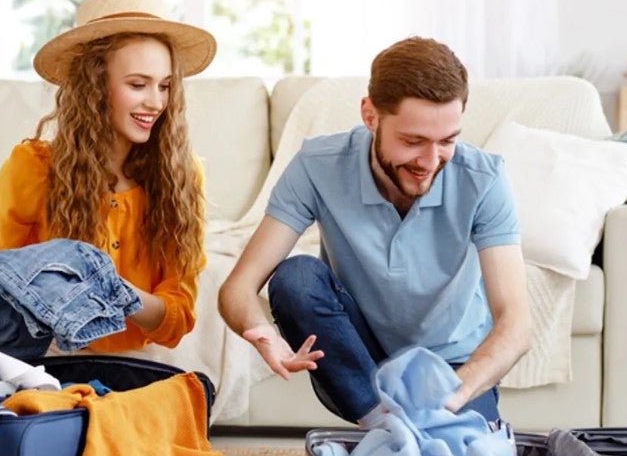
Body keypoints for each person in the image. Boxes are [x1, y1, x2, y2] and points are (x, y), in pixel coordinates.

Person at [217, 36, 531, 427]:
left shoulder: (484, 179)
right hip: (362, 356)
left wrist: (452, 394)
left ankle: (406, 433)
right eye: (413, 141)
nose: (430, 162)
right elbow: (237, 288)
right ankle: (382, 424)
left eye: (447, 141)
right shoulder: (318, 166)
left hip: (450, 367)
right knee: (295, 277)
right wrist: (265, 334)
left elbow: (516, 324)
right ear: (370, 115)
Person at [0, 0, 216, 353]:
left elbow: (177, 318)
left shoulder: (181, 176)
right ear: (95, 85)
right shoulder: (33, 169)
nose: (156, 102)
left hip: (137, 365)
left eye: (165, 86)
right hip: (51, 361)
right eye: (138, 84)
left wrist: (110, 287)